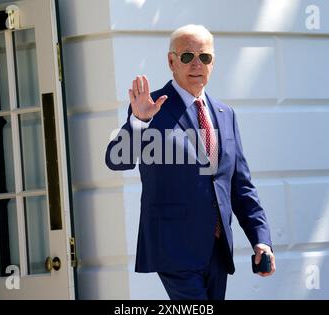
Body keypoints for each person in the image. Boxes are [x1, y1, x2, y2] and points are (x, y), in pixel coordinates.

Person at [105, 24, 275, 300]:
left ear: (213, 62)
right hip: (173, 248)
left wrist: (261, 239)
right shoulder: (150, 107)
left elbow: (240, 186)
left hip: (217, 249)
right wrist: (138, 121)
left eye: (204, 57)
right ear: (171, 61)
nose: (197, 64)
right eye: (187, 56)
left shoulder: (225, 113)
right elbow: (117, 161)